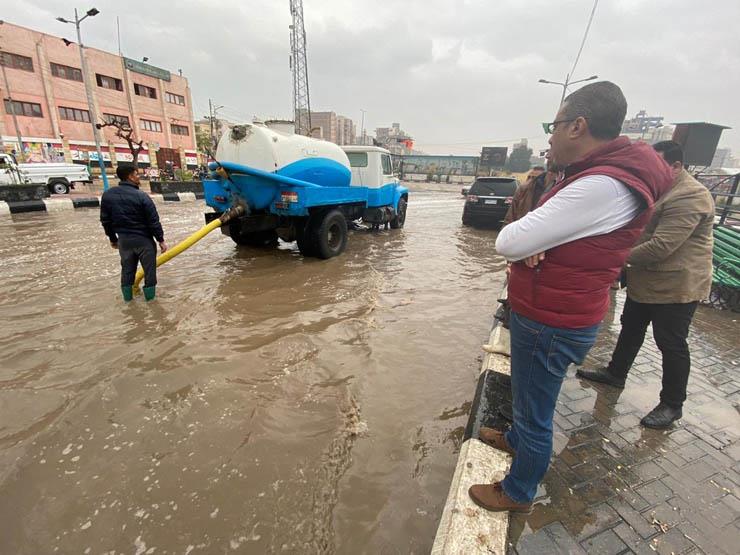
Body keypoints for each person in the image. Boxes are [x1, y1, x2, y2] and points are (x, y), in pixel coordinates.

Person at [468, 81, 672, 514]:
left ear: (578, 126)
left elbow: (508, 240)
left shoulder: (600, 185)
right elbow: (545, 236)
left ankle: (518, 491)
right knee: (528, 400)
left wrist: (530, 240)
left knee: (535, 413)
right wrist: (538, 239)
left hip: (552, 320)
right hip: (554, 309)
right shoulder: (600, 178)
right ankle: (515, 441)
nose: (550, 135)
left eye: (555, 125)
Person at [576, 141, 714, 428]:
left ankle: (672, 404)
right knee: (630, 327)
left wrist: (613, 259)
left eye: (658, 164)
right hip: (646, 279)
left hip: (676, 285)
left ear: (676, 166)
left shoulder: (690, 196)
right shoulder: (658, 187)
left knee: (670, 342)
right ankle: (616, 373)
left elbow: (662, 246)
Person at [100, 164, 168, 301]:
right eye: (137, 174)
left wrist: (113, 239)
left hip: (124, 241)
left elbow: (105, 221)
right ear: (130, 176)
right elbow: (153, 221)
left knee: (127, 272)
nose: (139, 177)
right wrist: (161, 240)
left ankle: (128, 303)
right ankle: (151, 303)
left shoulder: (108, 196)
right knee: (149, 273)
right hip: (144, 241)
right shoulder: (141, 196)